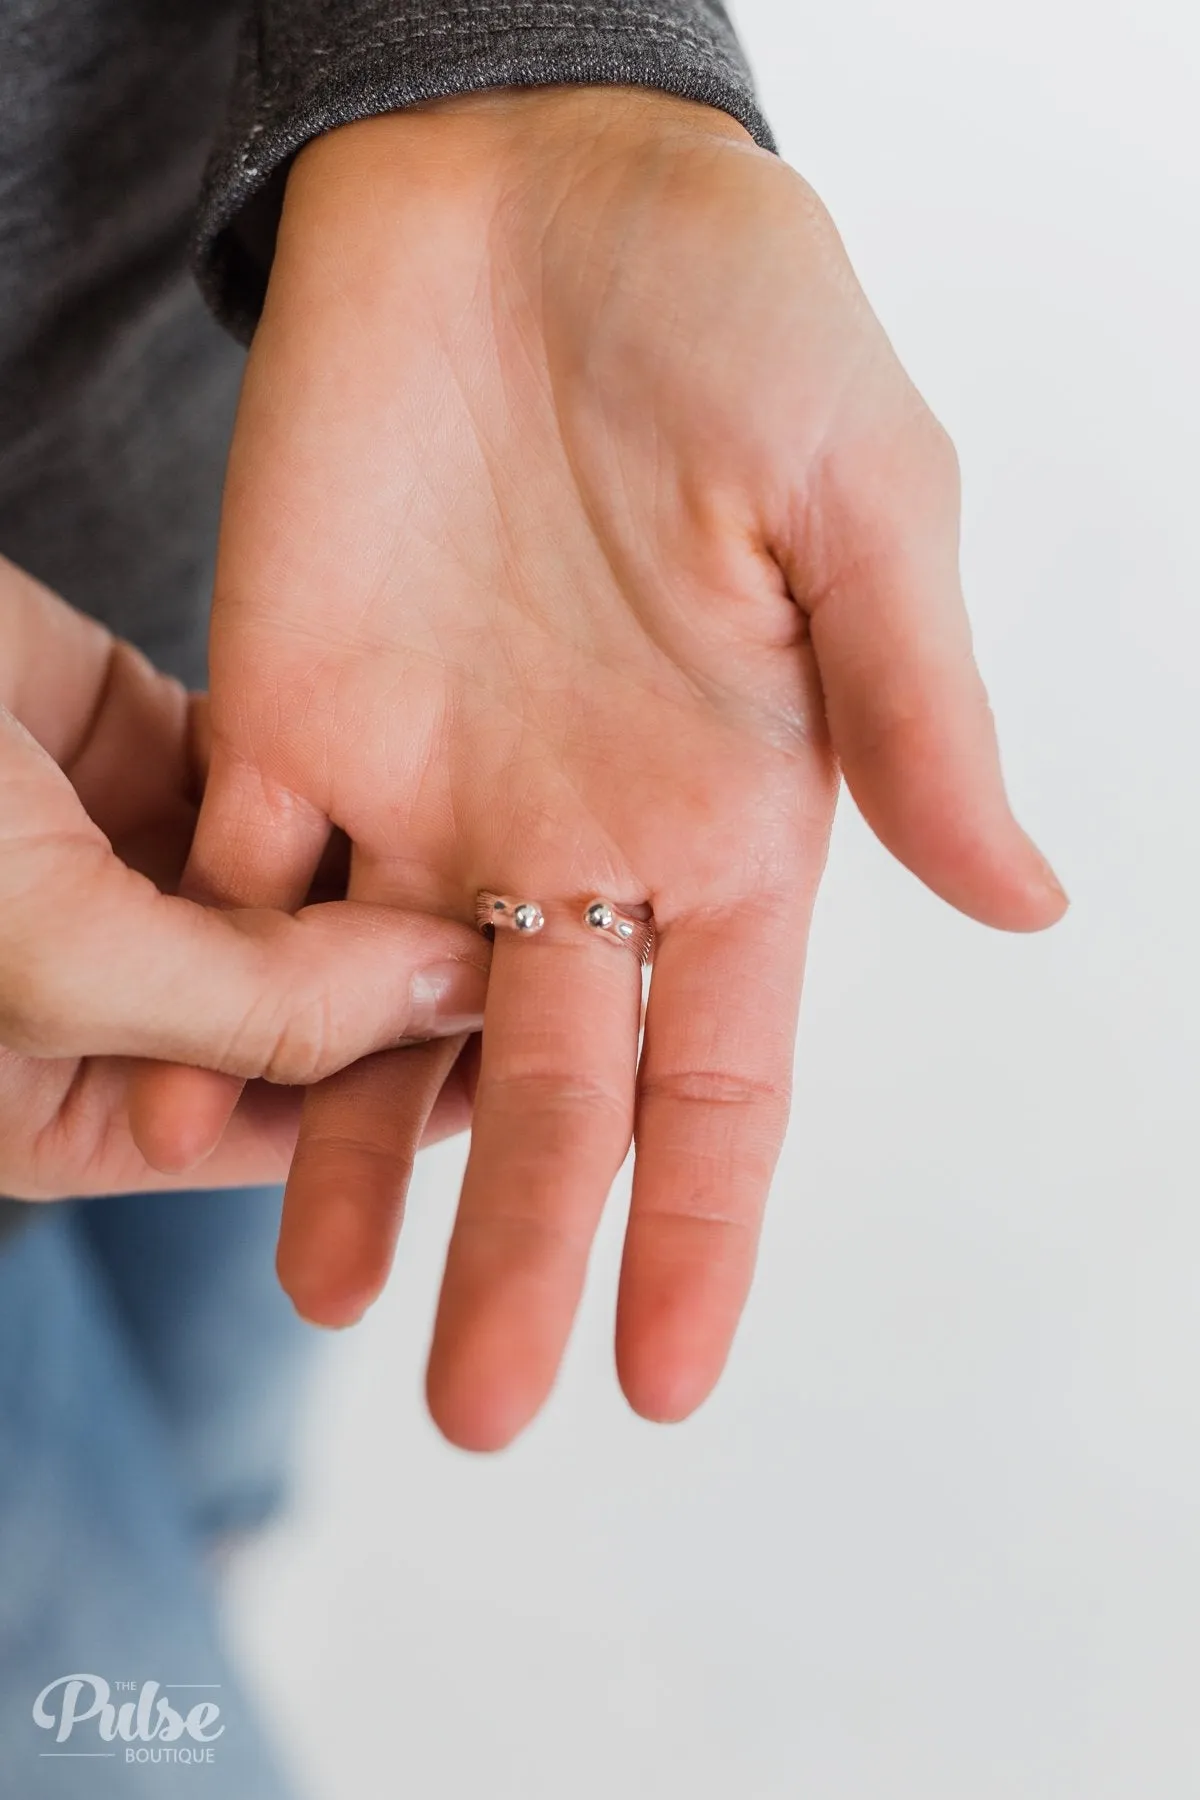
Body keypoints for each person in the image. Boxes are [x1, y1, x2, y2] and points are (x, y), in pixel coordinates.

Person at [0, 1, 1068, 1791]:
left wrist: (528, 57)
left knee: (219, 1390)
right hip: (306, 697)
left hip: (307, 669)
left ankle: (199, 1540)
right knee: (132, 1725)